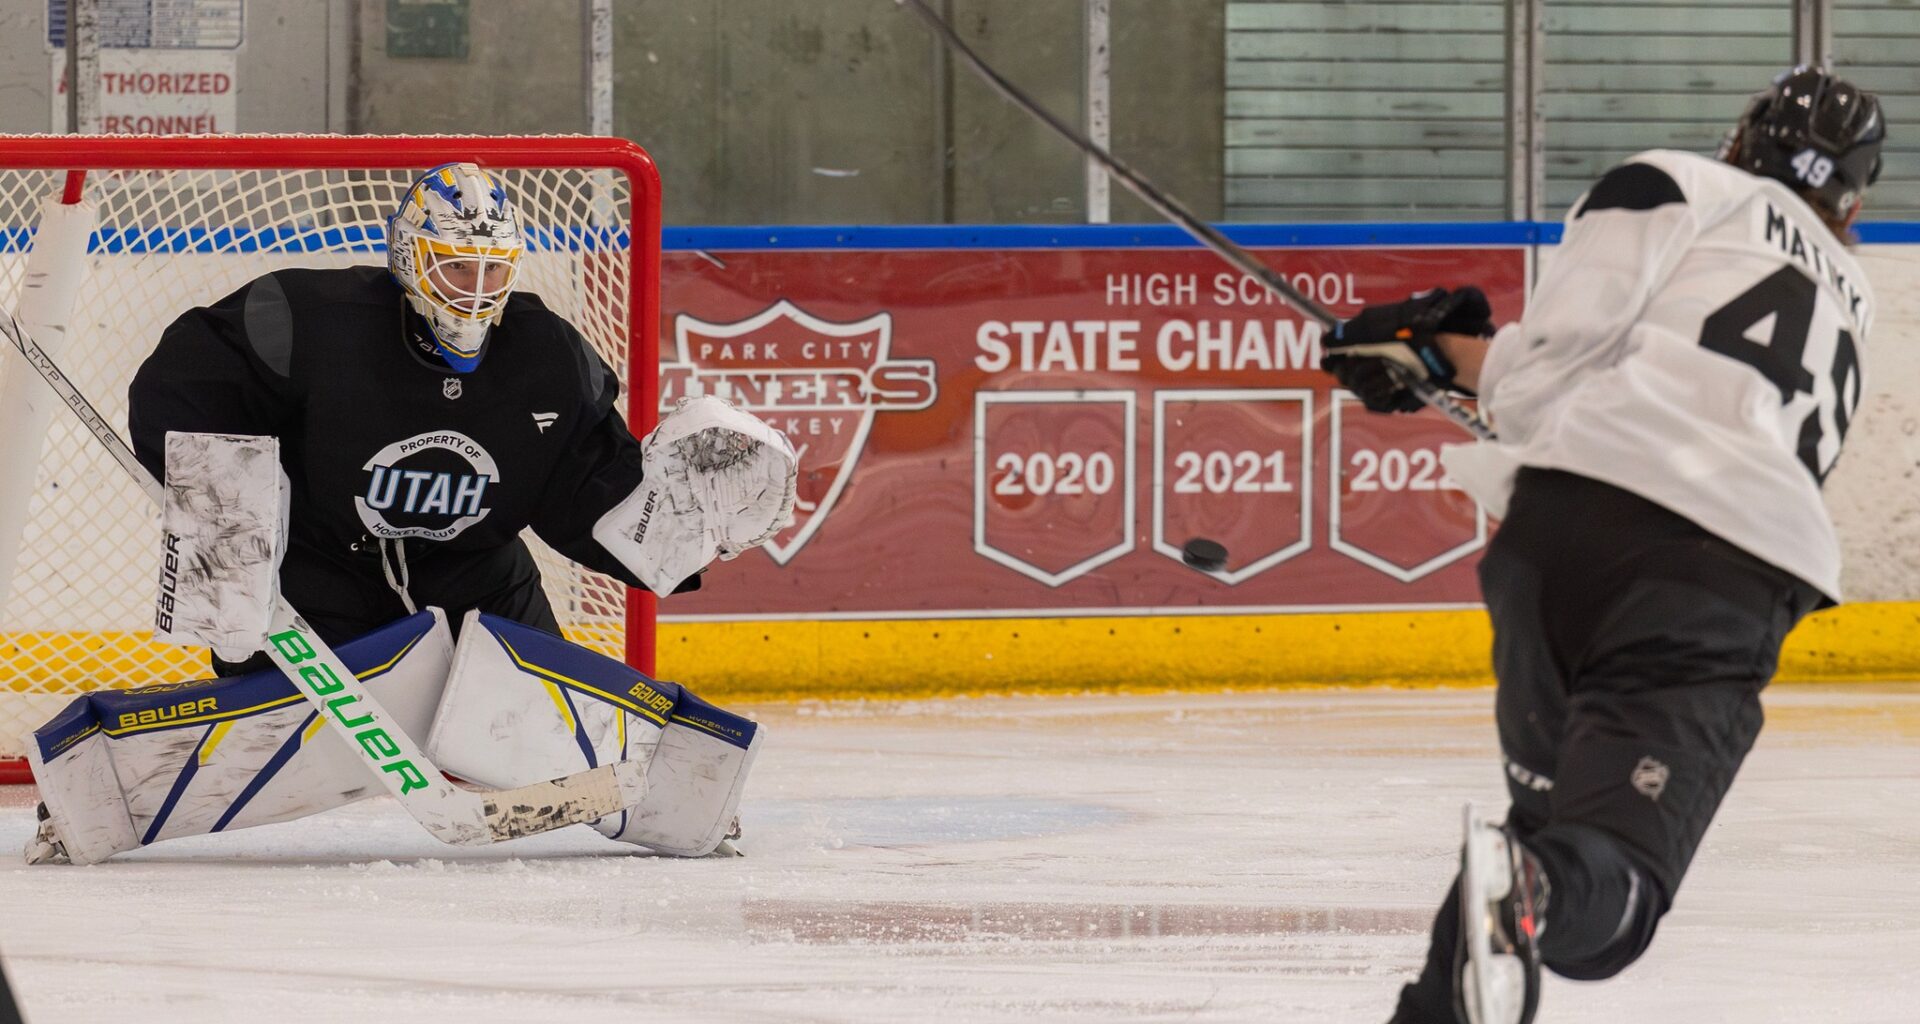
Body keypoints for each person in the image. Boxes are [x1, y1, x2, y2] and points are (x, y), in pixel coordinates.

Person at [23, 163, 795, 865]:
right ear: (409, 258)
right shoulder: (308, 320)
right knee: (264, 735)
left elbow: (587, 491)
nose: (474, 287)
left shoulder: (548, 358)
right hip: (318, 580)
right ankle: (93, 798)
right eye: (457, 265)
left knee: (549, 726)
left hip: (480, 585)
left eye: (492, 269)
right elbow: (188, 376)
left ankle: (683, 799)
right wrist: (224, 512)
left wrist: (679, 525)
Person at [1322, 67, 1885, 1024]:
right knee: (1601, 891)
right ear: (1854, 201)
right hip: (1716, 576)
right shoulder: (1855, 297)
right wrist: (1449, 357)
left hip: (1558, 547)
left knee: (1536, 854)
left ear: (1738, 139)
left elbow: (1551, 374)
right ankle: (1528, 892)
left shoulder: (1671, 181)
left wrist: (1437, 351)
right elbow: (1670, 404)